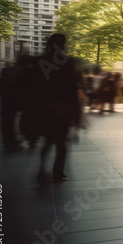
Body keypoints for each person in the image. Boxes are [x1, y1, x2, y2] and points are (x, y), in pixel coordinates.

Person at [29, 34, 82, 182]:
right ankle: (58, 171)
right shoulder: (68, 62)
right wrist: (77, 111)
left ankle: (41, 169)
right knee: (61, 141)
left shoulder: (40, 61)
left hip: (45, 107)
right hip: (63, 107)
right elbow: (73, 87)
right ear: (63, 45)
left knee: (47, 140)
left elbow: (35, 88)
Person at [0, 56, 30, 150]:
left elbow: (1, 82)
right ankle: (13, 140)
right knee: (12, 120)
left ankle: (8, 140)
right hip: (14, 99)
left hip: (5, 98)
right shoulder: (24, 71)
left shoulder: (7, 69)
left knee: (6, 121)